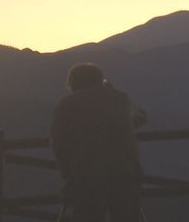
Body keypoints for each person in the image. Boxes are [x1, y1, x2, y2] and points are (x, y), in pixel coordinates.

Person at [50, 63, 146, 222]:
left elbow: (58, 143)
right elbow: (131, 122)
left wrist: (68, 174)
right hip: (125, 174)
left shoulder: (66, 104)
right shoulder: (119, 99)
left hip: (86, 177)